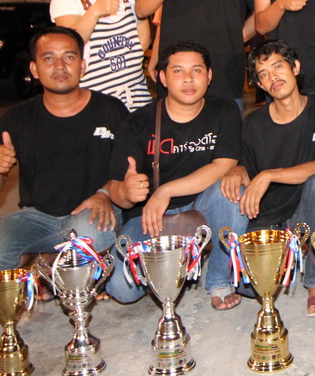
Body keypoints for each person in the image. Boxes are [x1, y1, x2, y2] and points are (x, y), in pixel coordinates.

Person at [0, 26, 126, 273]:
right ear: (34, 69)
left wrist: (105, 192)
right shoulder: (17, 119)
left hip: (94, 208)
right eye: (49, 58)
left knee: (88, 236)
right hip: (38, 217)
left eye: (69, 57)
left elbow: (129, 167)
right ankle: (42, 257)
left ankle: (56, 262)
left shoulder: (111, 110)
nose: (60, 66)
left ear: (82, 66)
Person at [105, 41, 246, 309]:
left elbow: (223, 165)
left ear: (209, 75)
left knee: (233, 191)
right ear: (162, 77)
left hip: (202, 206)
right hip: (152, 217)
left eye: (197, 70)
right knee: (121, 289)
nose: (188, 79)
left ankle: (219, 279)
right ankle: (168, 265)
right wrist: (126, 192)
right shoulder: (137, 122)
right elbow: (116, 189)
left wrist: (165, 190)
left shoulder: (224, 109)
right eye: (178, 71)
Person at [221, 40, 315, 316]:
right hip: (270, 216)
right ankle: (287, 253)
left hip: (307, 211)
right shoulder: (253, 123)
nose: (273, 77)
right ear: (260, 85)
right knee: (248, 284)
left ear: (295, 67)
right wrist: (237, 169)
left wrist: (270, 175)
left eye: (278, 67)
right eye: (264, 74)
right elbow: (245, 167)